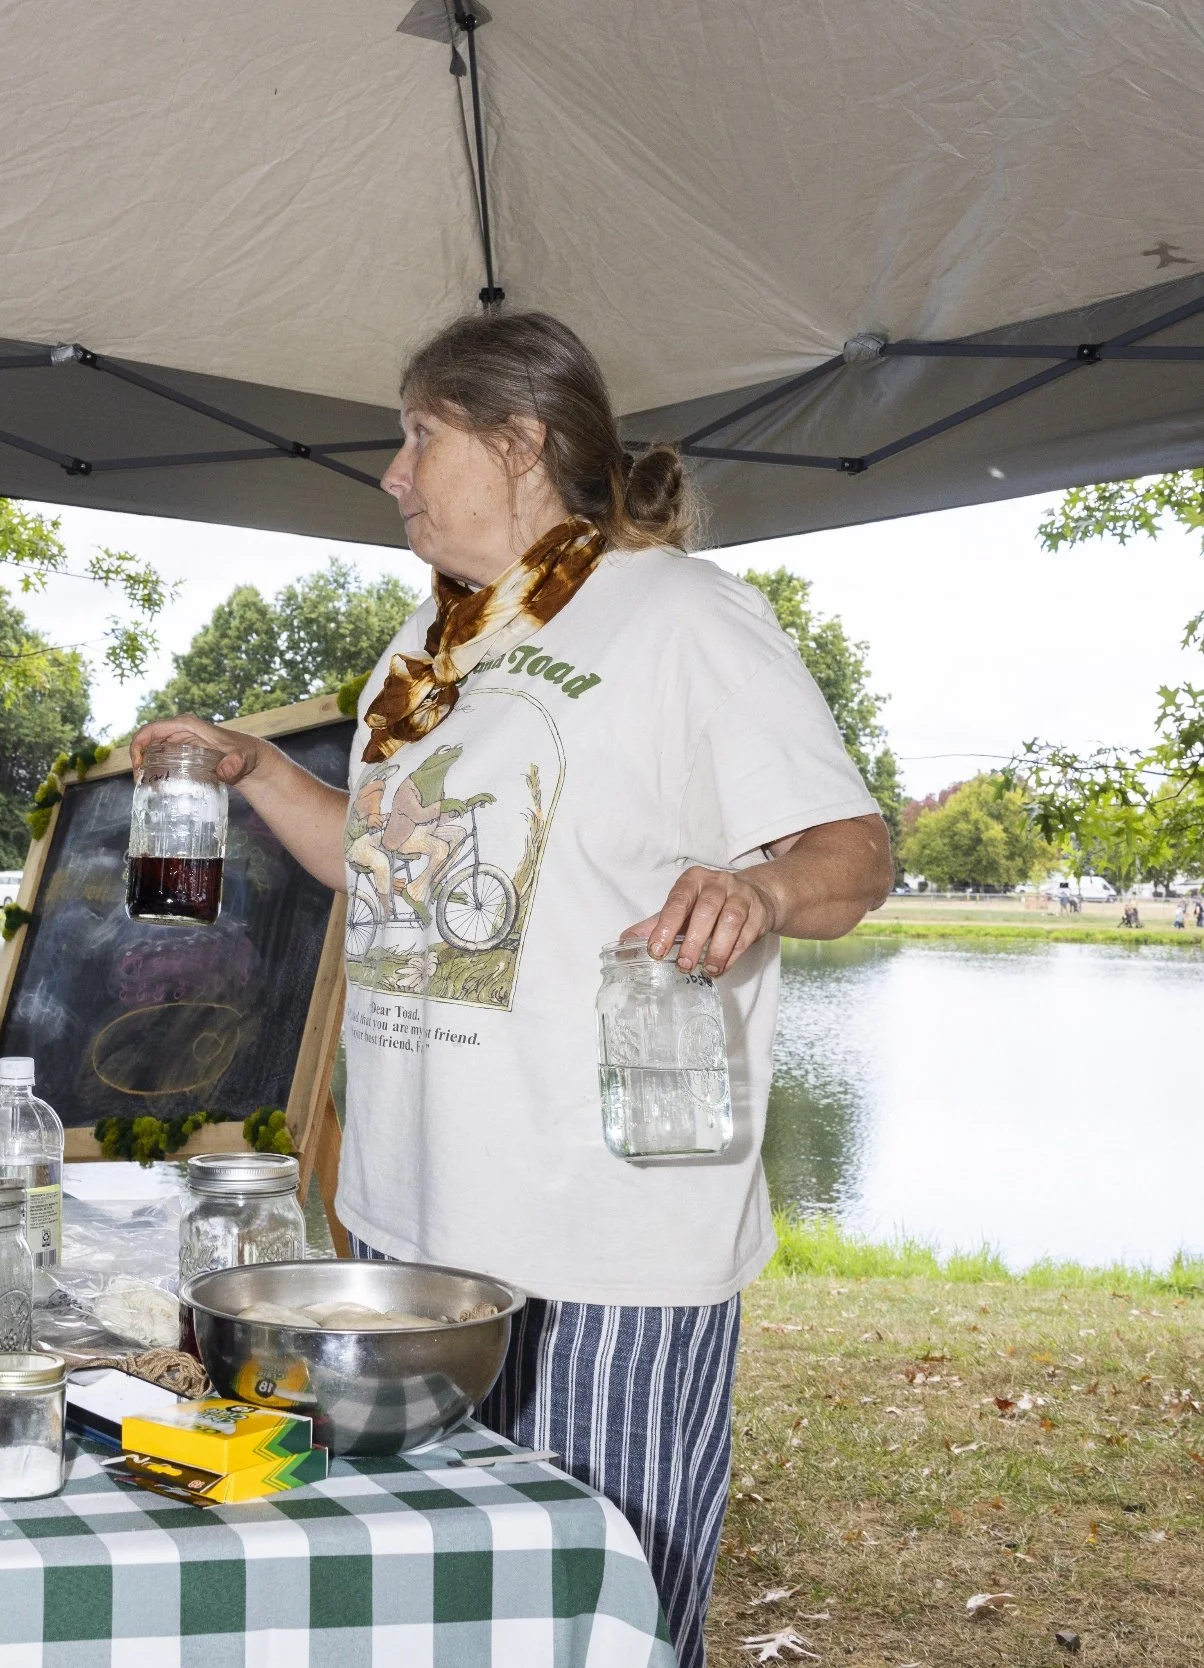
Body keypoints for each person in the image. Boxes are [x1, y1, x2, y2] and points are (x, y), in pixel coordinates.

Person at [134, 313, 890, 1668]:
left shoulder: (681, 614)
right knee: (424, 1621)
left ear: (519, 441)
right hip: (402, 1235)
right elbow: (375, 866)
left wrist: (759, 892)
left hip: (604, 1248)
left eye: (419, 434)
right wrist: (253, 771)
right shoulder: (425, 655)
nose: (392, 472)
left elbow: (853, 853)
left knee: (601, 1622)